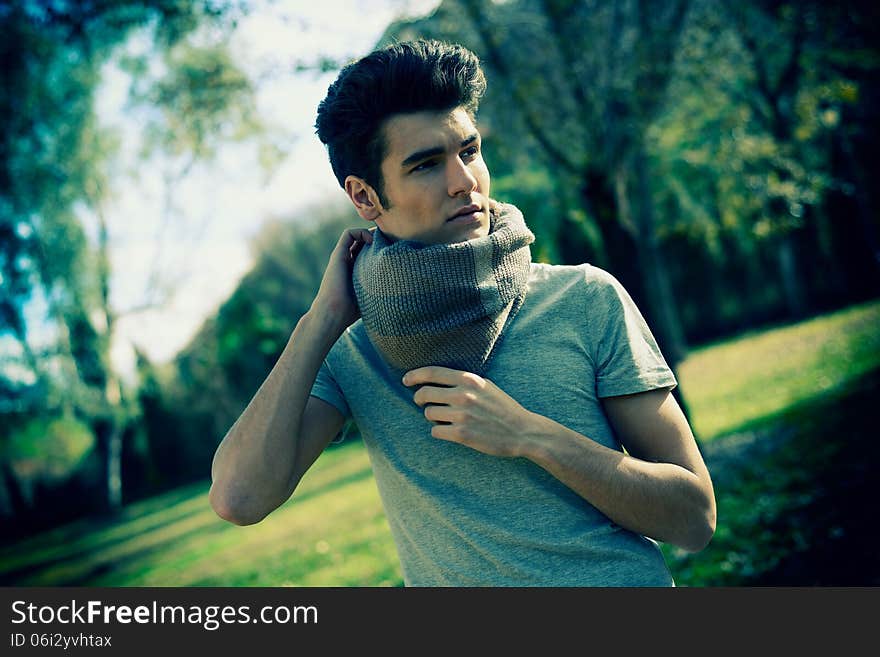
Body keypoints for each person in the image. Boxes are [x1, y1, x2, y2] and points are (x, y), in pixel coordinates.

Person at [209, 39, 716, 586]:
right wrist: (322, 320)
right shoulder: (350, 351)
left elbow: (694, 519)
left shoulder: (585, 298)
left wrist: (530, 435)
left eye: (469, 152)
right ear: (364, 197)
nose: (464, 182)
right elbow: (239, 498)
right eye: (426, 165)